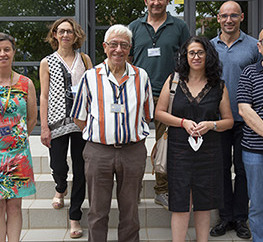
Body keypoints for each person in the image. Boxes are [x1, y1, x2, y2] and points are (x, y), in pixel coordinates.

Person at [71, 24, 154, 242]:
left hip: (133, 151)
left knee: (130, 212)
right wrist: (101, 133)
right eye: (114, 44)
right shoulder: (89, 77)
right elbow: (79, 117)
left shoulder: (141, 76)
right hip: (98, 152)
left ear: (130, 49)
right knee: (98, 211)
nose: (119, 49)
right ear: (105, 47)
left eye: (124, 45)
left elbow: (147, 113)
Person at [155, 36, 233, 242]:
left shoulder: (218, 85)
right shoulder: (174, 80)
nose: (196, 57)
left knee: (204, 202)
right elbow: (159, 113)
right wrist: (183, 122)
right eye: (191, 53)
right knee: (180, 202)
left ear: (208, 55)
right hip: (179, 150)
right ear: (185, 56)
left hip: (209, 151)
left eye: (200, 52)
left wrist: (211, 125)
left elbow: (229, 121)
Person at [128, 0, 190, 210]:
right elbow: (127, 60)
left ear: (167, 0)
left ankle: (162, 190)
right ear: (145, 1)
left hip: (170, 95)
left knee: (167, 146)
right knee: (133, 145)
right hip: (138, 95)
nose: (156, 2)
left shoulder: (179, 26)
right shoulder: (134, 27)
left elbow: (187, 59)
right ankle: (131, 191)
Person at [210, 0, 262, 239]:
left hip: (247, 121)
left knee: (242, 170)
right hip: (218, 120)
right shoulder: (209, 47)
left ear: (242, 17)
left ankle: (241, 218)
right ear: (218, 18)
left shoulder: (254, 46)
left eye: (233, 15)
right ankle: (225, 217)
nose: (228, 20)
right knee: (220, 170)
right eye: (224, 16)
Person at [39, 18, 92, 239]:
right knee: (58, 165)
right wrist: (43, 126)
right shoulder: (47, 62)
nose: (65, 35)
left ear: (75, 35)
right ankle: (60, 187)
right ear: (54, 35)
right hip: (56, 122)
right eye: (61, 31)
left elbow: (93, 90)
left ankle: (75, 216)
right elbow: (43, 95)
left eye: (69, 31)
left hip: (81, 123)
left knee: (81, 170)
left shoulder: (85, 59)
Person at [0, 33, 37, 242]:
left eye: (6, 49)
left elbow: (31, 118)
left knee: (14, 205)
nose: (2, 54)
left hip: (17, 155)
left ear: (13, 53)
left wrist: (16, 139)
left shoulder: (25, 83)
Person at [237, 25, 263, 242]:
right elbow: (244, 109)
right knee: (259, 205)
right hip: (256, 153)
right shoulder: (249, 72)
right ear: (259, 47)